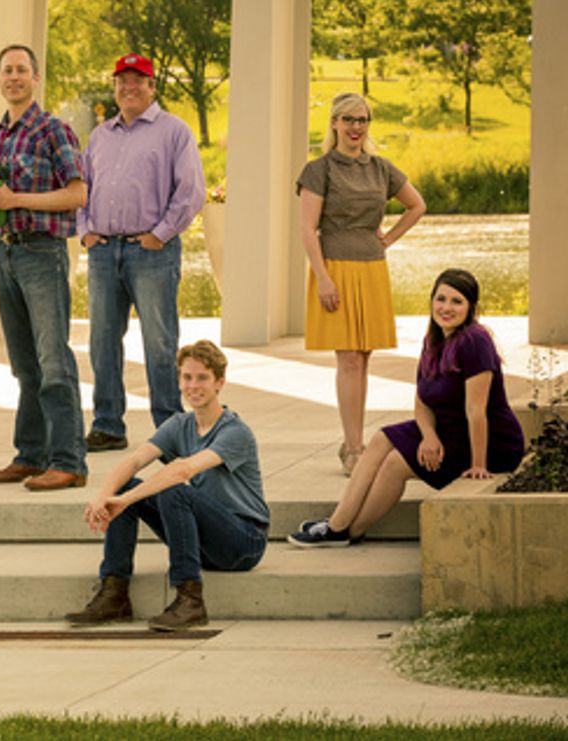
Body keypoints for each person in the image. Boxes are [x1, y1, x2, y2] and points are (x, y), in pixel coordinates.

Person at [289, 269, 525, 547]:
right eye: (441, 299)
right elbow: (422, 400)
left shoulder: (475, 342)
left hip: (489, 445)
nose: (446, 308)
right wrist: (428, 435)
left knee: (396, 463)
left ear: (471, 307)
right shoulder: (434, 339)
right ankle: (338, 524)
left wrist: (478, 465)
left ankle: (345, 530)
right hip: (449, 431)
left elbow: (477, 410)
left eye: (457, 301)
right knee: (381, 438)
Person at [66, 340, 268, 631]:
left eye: (202, 378)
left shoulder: (235, 432)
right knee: (125, 487)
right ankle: (114, 593)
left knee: (174, 491)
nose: (193, 385)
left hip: (244, 540)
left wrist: (125, 502)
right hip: (205, 538)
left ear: (219, 383)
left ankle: (190, 600)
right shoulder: (180, 424)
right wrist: (105, 497)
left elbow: (181, 470)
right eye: (187, 377)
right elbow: (134, 461)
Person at [77, 53, 205, 455]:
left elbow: (191, 193)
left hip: (152, 252)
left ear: (152, 86)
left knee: (160, 343)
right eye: (122, 80)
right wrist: (85, 232)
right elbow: (82, 187)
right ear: (115, 87)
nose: (129, 87)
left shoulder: (174, 132)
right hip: (103, 252)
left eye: (138, 80)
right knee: (101, 341)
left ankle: (168, 429)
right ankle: (108, 425)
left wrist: (161, 234)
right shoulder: (100, 135)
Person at [0, 44, 89, 491]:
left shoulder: (53, 131)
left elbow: (78, 194)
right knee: (24, 364)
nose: (14, 77)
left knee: (53, 360)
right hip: (5, 251)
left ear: (35, 78)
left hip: (42, 253)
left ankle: (69, 461)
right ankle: (30, 454)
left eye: (22, 70)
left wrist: (18, 200)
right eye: (7, 70)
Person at [297, 92, 425, 475]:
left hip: (371, 268)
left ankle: (355, 442)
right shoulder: (319, 170)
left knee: (363, 358)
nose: (356, 127)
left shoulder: (381, 168)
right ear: (334, 123)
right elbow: (307, 228)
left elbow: (416, 205)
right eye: (348, 119)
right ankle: (353, 447)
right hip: (334, 267)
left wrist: (387, 238)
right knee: (348, 358)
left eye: (362, 120)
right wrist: (322, 278)